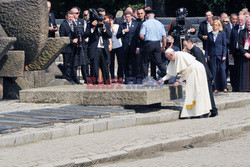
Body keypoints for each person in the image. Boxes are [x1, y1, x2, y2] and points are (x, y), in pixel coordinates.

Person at [159, 49, 211, 119]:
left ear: (171, 54)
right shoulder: (174, 58)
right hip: (193, 72)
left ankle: (202, 111)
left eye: (168, 58)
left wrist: (179, 81)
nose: (169, 60)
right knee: (193, 92)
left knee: (198, 91)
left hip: (195, 71)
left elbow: (187, 70)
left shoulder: (180, 56)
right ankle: (196, 112)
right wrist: (161, 80)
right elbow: (170, 73)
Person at [183, 37, 218, 117]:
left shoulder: (195, 51)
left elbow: (201, 65)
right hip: (203, 75)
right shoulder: (193, 50)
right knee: (205, 94)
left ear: (190, 43)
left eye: (186, 45)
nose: (185, 47)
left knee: (207, 93)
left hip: (204, 75)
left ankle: (212, 110)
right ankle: (208, 110)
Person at [84, 10, 112, 84]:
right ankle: (93, 82)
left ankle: (107, 82)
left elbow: (110, 35)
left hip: (103, 48)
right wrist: (92, 27)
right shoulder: (90, 24)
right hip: (95, 48)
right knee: (94, 67)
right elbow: (85, 34)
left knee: (105, 67)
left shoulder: (106, 24)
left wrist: (104, 29)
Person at [140, 10, 167, 80]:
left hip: (148, 43)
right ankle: (166, 73)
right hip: (157, 43)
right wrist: (164, 46)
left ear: (147, 15)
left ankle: (145, 78)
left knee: (145, 62)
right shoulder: (160, 24)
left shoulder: (145, 23)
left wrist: (144, 38)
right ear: (154, 15)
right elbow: (164, 36)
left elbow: (141, 35)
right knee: (158, 61)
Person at [117, 11, 141, 84]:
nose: (127, 18)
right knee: (126, 63)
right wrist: (123, 31)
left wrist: (138, 47)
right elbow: (118, 35)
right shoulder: (122, 25)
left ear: (131, 17)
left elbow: (138, 36)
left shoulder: (136, 24)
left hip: (133, 47)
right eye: (126, 17)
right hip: (125, 47)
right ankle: (127, 79)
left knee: (134, 63)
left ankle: (134, 78)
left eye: (128, 17)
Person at [205, 19, 227, 93]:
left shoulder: (222, 33)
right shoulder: (210, 34)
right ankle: (216, 87)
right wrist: (206, 56)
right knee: (214, 71)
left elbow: (224, 45)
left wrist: (224, 55)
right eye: (214, 25)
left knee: (222, 70)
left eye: (216, 25)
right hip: (212, 54)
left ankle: (224, 87)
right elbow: (207, 46)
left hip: (220, 54)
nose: (215, 26)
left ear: (219, 26)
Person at [229, 15, 246, 92]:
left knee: (243, 70)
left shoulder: (246, 29)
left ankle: (243, 86)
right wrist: (231, 52)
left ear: (245, 20)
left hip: (244, 52)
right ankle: (235, 87)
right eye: (239, 20)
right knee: (235, 70)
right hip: (235, 51)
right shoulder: (234, 28)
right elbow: (231, 40)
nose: (240, 21)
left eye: (241, 20)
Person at [59, 11, 76, 84]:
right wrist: (72, 41)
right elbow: (62, 37)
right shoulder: (63, 25)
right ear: (66, 17)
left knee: (72, 64)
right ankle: (68, 78)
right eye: (69, 17)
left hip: (73, 48)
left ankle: (72, 78)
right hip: (67, 48)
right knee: (67, 64)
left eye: (72, 17)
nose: (71, 18)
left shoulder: (74, 24)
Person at [237, 17, 250, 92]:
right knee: (244, 73)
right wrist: (245, 53)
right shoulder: (242, 32)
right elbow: (239, 45)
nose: (249, 24)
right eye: (248, 23)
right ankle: (245, 88)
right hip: (244, 56)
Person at [109, 15, 123, 83]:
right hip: (111, 46)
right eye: (109, 20)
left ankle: (119, 76)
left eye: (111, 20)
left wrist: (112, 27)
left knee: (120, 61)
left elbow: (116, 34)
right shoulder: (105, 26)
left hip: (118, 45)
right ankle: (112, 76)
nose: (110, 21)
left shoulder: (117, 26)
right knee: (111, 62)